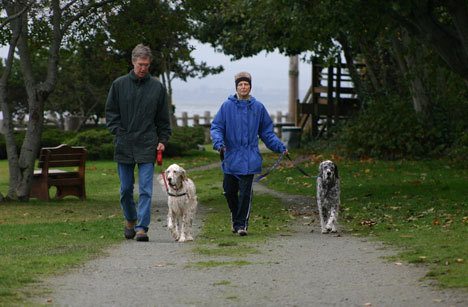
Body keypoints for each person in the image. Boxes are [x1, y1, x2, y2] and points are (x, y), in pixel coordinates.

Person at [105, 44, 171, 242]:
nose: (143, 68)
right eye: (141, 64)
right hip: (124, 143)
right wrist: (118, 131)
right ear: (133, 62)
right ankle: (130, 219)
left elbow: (163, 119)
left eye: (147, 65)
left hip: (147, 143)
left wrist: (163, 140)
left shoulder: (157, 87)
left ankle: (142, 228)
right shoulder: (119, 85)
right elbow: (110, 113)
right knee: (125, 189)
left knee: (145, 190)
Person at [210, 71, 288, 236]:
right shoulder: (226, 106)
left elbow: (267, 133)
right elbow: (217, 127)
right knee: (229, 191)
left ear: (250, 87)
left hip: (250, 157)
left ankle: (241, 225)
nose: (243, 87)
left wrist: (280, 146)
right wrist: (219, 144)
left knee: (245, 192)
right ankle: (235, 215)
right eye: (240, 85)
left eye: (246, 84)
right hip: (230, 155)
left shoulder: (258, 107)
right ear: (236, 87)